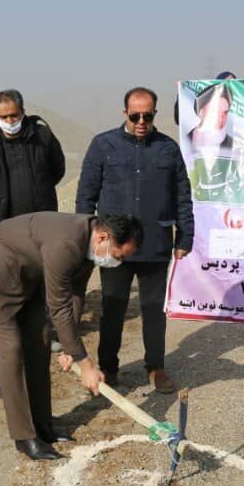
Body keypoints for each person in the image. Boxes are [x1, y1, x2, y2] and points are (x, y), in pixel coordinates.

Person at [0, 212, 143, 460]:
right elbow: (59, 307)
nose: (117, 262)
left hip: (26, 274)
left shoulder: (90, 246)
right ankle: (24, 437)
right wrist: (85, 363)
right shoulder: (66, 244)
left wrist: (70, 347)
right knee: (12, 349)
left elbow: (76, 294)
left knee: (41, 339)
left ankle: (43, 424)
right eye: (118, 255)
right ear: (103, 237)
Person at [76, 87, 194, 393]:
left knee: (154, 309)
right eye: (135, 115)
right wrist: (86, 238)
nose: (141, 121)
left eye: (148, 115)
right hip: (114, 247)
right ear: (124, 113)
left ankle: (155, 368)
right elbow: (85, 197)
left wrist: (185, 237)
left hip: (155, 243)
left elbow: (183, 197)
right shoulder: (103, 145)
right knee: (112, 308)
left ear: (155, 113)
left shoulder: (168, 149)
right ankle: (109, 369)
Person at [0, 89, 65, 228]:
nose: (9, 121)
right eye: (4, 117)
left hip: (41, 218)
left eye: (14, 115)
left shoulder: (42, 136)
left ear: (22, 111)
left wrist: (40, 187)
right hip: (2, 221)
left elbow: (57, 169)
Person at [186, 83, 235, 154]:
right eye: (215, 111)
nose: (221, 118)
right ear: (201, 112)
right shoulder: (185, 141)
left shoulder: (234, 146)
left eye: (225, 112)